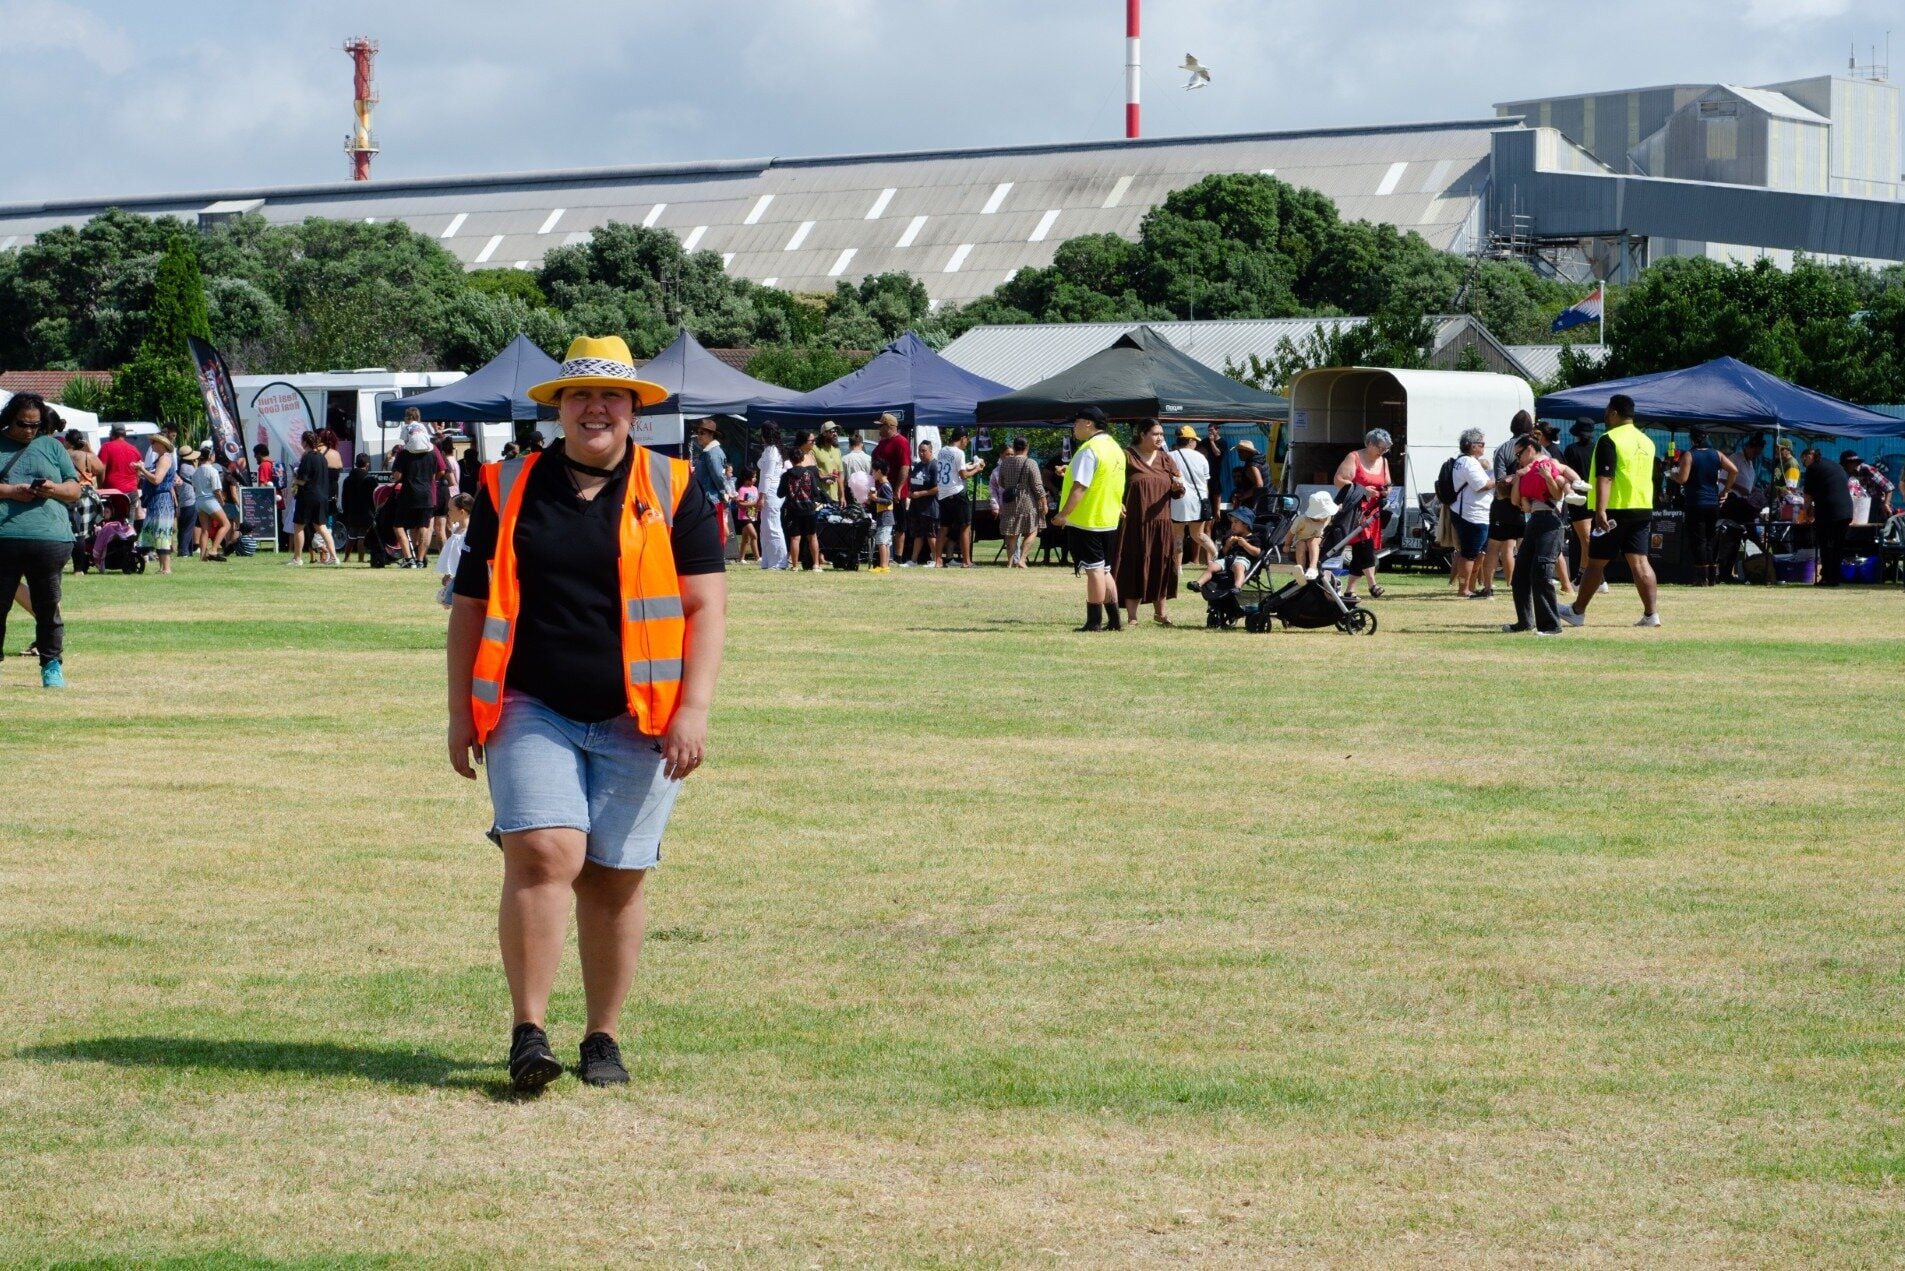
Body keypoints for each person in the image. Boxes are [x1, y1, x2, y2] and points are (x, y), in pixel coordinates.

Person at [447, 334, 726, 1092]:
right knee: (542, 852)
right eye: (579, 395)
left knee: (613, 876)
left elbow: (705, 604)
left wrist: (693, 707)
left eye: (611, 396)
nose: (594, 408)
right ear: (558, 408)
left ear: (633, 410)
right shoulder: (507, 486)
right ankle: (527, 1031)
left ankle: (602, 1034)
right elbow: (470, 606)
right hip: (529, 702)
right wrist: (456, 711)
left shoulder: (673, 486)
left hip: (641, 715)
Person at [0, 393, 82, 687]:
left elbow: (74, 490)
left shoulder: (52, 446)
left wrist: (53, 489)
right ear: (10, 418)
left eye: (36, 425)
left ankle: (51, 666)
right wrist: (11, 491)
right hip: (4, 538)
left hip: (49, 539)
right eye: (23, 424)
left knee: (47, 607)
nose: (30, 430)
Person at [1558, 394, 1660, 628]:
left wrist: (1600, 510)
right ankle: (1651, 614)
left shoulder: (1609, 439)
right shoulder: (1647, 441)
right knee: (1641, 563)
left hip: (1614, 509)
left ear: (1614, 412)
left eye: (1607, 410)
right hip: (1642, 507)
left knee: (1595, 562)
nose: (1605, 414)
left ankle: (1577, 611)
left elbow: (1605, 476)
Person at [1051, 407, 1127, 631]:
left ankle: (1094, 621)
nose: (1073, 427)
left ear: (1088, 423)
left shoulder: (1089, 449)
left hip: (1087, 519)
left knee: (1094, 570)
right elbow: (1104, 481)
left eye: (1076, 423)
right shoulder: (1114, 448)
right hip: (1108, 517)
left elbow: (1080, 488)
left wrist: (1062, 515)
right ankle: (1114, 619)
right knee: (1105, 570)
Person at [1501, 434, 1579, 636]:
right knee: (1520, 576)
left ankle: (1551, 626)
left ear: (1529, 449)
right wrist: (1518, 477)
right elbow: (1515, 500)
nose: (1517, 459)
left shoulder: (1549, 464)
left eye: (1518, 454)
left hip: (1551, 521)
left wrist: (1547, 477)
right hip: (1534, 521)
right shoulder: (1525, 472)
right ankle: (1525, 622)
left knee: (1542, 573)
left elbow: (1557, 495)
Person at [1115, 419, 1184, 627]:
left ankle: (1160, 613)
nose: (1160, 438)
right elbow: (1110, 483)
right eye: (1155, 434)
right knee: (1133, 565)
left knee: (1160, 565)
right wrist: (1116, 502)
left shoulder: (1166, 459)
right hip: (1134, 523)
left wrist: (1177, 487)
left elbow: (1180, 488)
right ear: (1142, 434)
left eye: (1162, 434)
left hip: (1161, 523)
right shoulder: (1126, 456)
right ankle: (1132, 616)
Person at [1476, 411, 1534, 600]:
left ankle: (1487, 589)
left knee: (1495, 546)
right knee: (1525, 546)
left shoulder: (1503, 449)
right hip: (1532, 503)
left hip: (1505, 505)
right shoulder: (1538, 448)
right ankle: (1521, 586)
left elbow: (1500, 482)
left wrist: (1511, 492)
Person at [1669, 427, 1737, 586]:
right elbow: (1734, 470)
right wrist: (1726, 491)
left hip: (1695, 503)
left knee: (1698, 540)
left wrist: (1672, 474)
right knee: (1710, 539)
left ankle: (1702, 577)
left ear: (1692, 439)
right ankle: (1713, 576)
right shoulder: (1717, 454)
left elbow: (1683, 479)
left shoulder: (1689, 455)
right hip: (1712, 503)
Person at [1331, 428, 1392, 600]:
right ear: (1370, 444)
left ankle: (1351, 590)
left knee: (1361, 551)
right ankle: (1373, 584)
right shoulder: (1354, 457)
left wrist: (1386, 491)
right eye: (1381, 447)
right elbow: (1338, 480)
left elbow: (1387, 483)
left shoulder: (1384, 461)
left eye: (1386, 448)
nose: (1383, 451)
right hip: (1356, 511)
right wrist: (1363, 490)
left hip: (1374, 511)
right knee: (1365, 547)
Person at [1448, 428, 1493, 598]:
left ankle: (1469, 587)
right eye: (1481, 444)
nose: (1483, 447)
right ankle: (1464, 589)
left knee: (1476, 551)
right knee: (1469, 552)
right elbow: (1481, 486)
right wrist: (1498, 481)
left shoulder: (1463, 461)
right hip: (1471, 514)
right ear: (1473, 446)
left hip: (1470, 512)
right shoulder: (1469, 462)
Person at [1800, 445, 1853, 586]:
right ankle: (1834, 578)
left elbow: (1807, 496)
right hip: (1846, 510)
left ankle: (1827, 577)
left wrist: (1805, 513)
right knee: (1837, 546)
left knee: (1825, 544)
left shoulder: (1812, 468)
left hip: (1830, 510)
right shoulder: (1833, 464)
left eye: (1803, 461)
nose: (1804, 464)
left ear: (1807, 457)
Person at [933, 427, 984, 568]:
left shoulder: (942, 451)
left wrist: (970, 465)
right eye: (966, 439)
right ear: (962, 438)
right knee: (965, 527)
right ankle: (966, 562)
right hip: (957, 493)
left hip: (943, 493)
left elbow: (956, 468)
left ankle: (938, 560)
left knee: (943, 528)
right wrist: (977, 469)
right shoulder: (959, 452)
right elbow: (963, 475)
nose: (966, 442)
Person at [991, 436, 1046, 568]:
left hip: (1009, 501)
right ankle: (1022, 559)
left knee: (1012, 532)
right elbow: (1037, 486)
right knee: (1033, 529)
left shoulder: (1005, 463)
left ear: (1014, 448)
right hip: (1027, 501)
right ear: (1027, 447)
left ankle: (1010, 562)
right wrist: (1043, 502)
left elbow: (1001, 483)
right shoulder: (1031, 463)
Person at [390, 423, 438, 569]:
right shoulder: (432, 453)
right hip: (427, 495)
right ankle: (420, 560)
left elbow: (397, 475)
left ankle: (408, 559)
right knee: (423, 527)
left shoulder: (404, 454)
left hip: (409, 494)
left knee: (398, 526)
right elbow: (434, 475)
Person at [290, 431, 338, 566]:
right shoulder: (322, 458)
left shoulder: (307, 457)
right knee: (322, 527)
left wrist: (294, 478)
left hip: (307, 495)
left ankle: (297, 558)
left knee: (299, 526)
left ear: (305, 442)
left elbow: (303, 480)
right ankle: (334, 557)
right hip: (322, 496)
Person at [777, 430, 823, 571]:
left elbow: (780, 494)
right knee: (812, 537)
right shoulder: (809, 474)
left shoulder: (786, 475)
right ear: (802, 459)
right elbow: (815, 492)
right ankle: (816, 564)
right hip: (809, 508)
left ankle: (795, 565)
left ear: (790, 460)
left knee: (795, 538)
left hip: (793, 509)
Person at [1560, 420, 1597, 595]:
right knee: (1589, 540)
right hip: (1597, 497)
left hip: (1579, 499)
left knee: (1585, 541)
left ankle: (1585, 577)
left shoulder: (1571, 450)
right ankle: (1596, 578)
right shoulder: (1597, 449)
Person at [1169, 426, 1215, 566]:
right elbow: (1205, 483)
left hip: (1178, 501)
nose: (1196, 443)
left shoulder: (1169, 456)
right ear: (1189, 441)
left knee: (1178, 536)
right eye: (1195, 440)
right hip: (1199, 501)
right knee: (1199, 535)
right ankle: (1216, 555)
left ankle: (1178, 569)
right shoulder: (1201, 457)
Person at [135, 433, 180, 575]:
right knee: (157, 532)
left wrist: (142, 470)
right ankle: (162, 567)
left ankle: (166, 568)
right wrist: (142, 473)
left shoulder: (165, 458)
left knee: (162, 532)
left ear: (161, 445)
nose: (152, 444)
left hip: (162, 500)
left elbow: (157, 480)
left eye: (154, 442)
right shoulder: (160, 459)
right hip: (156, 499)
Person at [1192, 506, 1263, 594]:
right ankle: (1198, 583)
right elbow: (1223, 553)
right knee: (1212, 566)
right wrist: (1227, 546)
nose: (1232, 525)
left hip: (1242, 561)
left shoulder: (1253, 538)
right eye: (1232, 522)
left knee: (1238, 566)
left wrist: (1245, 545)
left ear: (1245, 524)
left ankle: (1237, 586)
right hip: (1228, 559)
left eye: (1236, 522)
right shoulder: (1230, 537)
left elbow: (1257, 553)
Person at [870, 413, 911, 558]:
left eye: (880, 426)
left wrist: (898, 490)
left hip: (894, 491)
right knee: (881, 523)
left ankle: (898, 557)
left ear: (890, 427)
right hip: (880, 491)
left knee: (898, 524)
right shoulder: (882, 442)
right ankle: (882, 555)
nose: (878, 429)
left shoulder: (901, 442)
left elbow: (905, 467)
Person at [755, 423, 789, 570]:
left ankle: (780, 562)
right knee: (766, 527)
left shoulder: (772, 451)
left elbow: (767, 476)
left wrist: (761, 496)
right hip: (771, 491)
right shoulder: (773, 450)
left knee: (772, 526)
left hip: (770, 492)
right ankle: (769, 561)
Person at [900, 439, 939, 567]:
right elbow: (912, 481)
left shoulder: (934, 466)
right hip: (916, 506)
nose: (921, 453)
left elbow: (937, 488)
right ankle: (913, 560)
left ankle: (935, 560)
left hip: (929, 507)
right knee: (917, 534)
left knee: (930, 534)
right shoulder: (918, 465)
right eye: (919, 451)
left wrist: (920, 494)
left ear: (930, 451)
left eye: (924, 451)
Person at [1283, 490, 1335, 580]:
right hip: (1302, 539)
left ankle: (1312, 568)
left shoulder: (1328, 517)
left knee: (1312, 541)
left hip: (1317, 538)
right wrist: (1287, 544)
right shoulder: (1301, 520)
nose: (1327, 516)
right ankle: (1301, 569)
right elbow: (1290, 533)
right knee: (1300, 544)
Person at [190, 448, 230, 562]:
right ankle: (213, 549)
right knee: (226, 524)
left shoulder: (196, 471)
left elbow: (194, 486)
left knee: (204, 529)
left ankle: (202, 556)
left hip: (199, 501)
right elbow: (217, 490)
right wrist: (222, 501)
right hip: (210, 500)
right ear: (210, 457)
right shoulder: (212, 470)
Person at [436, 492, 474, 607]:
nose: (448, 513)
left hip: (465, 576)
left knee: (452, 601)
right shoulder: (455, 529)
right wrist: (448, 574)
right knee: (448, 601)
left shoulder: (469, 533)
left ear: (461, 512)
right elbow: (452, 555)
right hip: (455, 576)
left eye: (451, 510)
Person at [692, 421, 728, 539]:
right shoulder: (708, 452)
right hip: (708, 499)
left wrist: (724, 493)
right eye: (698, 433)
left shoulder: (712, 453)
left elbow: (718, 476)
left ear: (711, 435)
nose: (699, 436)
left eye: (702, 433)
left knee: (714, 535)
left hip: (712, 500)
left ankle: (718, 557)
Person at [98, 423, 141, 521]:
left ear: (112, 434)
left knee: (115, 522)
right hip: (131, 491)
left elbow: (101, 470)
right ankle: (130, 535)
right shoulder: (134, 449)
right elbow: (138, 472)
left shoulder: (106, 447)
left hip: (114, 492)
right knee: (130, 522)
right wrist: (134, 484)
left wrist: (100, 488)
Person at [341, 453, 378, 562]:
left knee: (351, 536)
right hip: (367, 512)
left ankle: (346, 557)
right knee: (362, 536)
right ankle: (361, 559)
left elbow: (344, 498)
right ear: (367, 465)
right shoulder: (371, 479)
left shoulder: (347, 480)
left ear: (355, 464)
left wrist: (346, 512)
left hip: (352, 512)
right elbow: (374, 497)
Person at [1841, 450, 1896, 523]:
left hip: (1878, 504)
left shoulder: (1867, 469)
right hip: (1862, 505)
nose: (1845, 468)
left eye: (1846, 466)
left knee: (1878, 530)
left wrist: (1886, 504)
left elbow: (1889, 487)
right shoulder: (1847, 473)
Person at [1230, 438, 1268, 516]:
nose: (1239, 455)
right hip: (1267, 498)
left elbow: (1259, 485)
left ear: (1247, 452)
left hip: (1260, 503)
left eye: (1240, 452)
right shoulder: (1261, 460)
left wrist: (1243, 496)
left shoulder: (1252, 466)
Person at [868, 466, 896, 571]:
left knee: (882, 542)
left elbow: (889, 501)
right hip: (885, 517)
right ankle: (885, 565)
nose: (872, 474)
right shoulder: (884, 485)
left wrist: (875, 498)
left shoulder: (885, 486)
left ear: (879, 471)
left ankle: (883, 566)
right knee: (886, 543)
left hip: (885, 517)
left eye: (874, 472)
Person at [813, 422, 845, 503]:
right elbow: (811, 471)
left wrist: (842, 496)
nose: (835, 434)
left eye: (836, 431)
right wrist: (823, 477)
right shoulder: (814, 449)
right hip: (820, 498)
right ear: (824, 433)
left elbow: (840, 474)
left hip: (835, 498)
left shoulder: (837, 450)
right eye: (833, 431)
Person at [733, 473, 760, 563]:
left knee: (745, 538)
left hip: (753, 516)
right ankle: (757, 557)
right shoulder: (742, 489)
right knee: (754, 535)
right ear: (747, 479)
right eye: (753, 477)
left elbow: (757, 501)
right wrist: (754, 504)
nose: (755, 479)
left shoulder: (755, 489)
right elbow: (740, 504)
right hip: (744, 517)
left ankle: (741, 558)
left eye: (755, 477)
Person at [841, 430, 873, 506]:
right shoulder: (869, 459)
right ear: (861, 444)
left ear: (849, 445)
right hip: (866, 491)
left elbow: (842, 480)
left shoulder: (844, 459)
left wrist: (841, 496)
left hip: (850, 492)